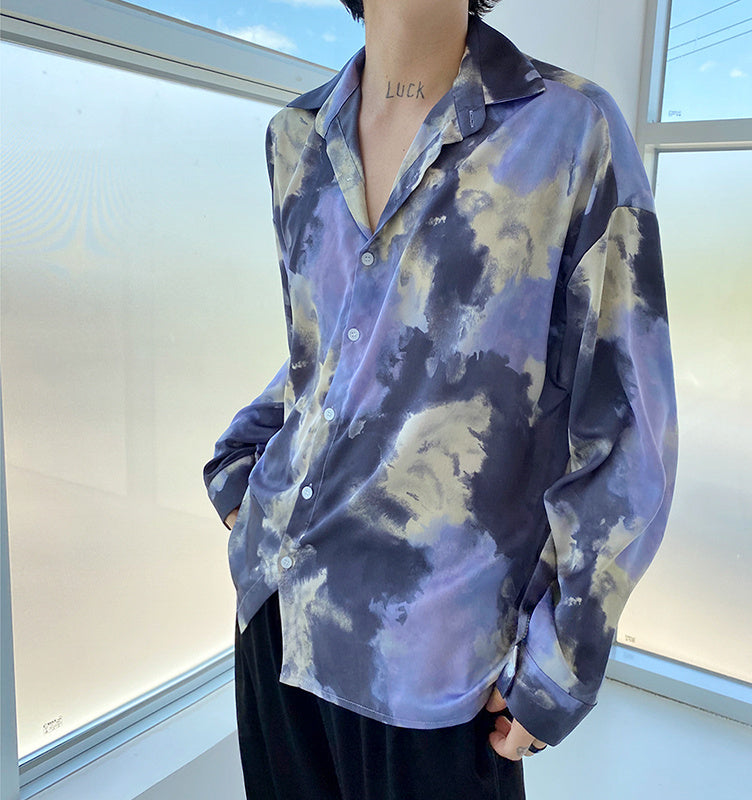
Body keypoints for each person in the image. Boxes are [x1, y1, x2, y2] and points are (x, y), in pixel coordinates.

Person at [203, 0, 678, 797]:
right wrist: (240, 468)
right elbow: (326, 356)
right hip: (277, 615)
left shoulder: (570, 132)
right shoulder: (296, 138)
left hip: (432, 662)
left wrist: (561, 662)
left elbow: (629, 418)